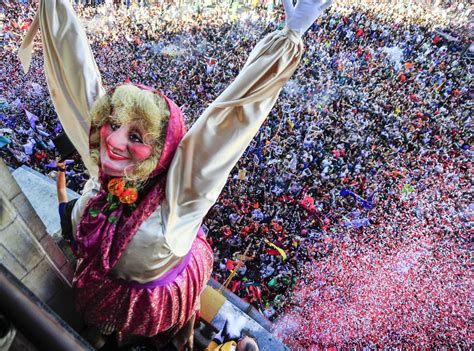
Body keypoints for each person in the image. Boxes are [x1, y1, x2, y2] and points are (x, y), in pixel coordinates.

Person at [20, 0, 332, 349]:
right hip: (100, 294)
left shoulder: (179, 201)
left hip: (155, 311)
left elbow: (227, 124)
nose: (114, 140)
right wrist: (54, 7)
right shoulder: (107, 173)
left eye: (136, 137)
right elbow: (80, 79)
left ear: (159, 152)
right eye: (114, 125)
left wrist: (288, 40)